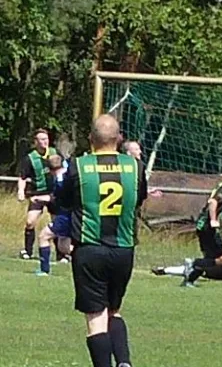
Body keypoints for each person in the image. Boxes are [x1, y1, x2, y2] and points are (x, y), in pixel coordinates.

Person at [59, 114, 148, 367]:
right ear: (119, 139)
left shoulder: (78, 165)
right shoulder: (135, 167)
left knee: (96, 316)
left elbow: (63, 201)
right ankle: (124, 362)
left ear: (90, 138)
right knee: (114, 310)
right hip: (123, 250)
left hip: (90, 249)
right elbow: (139, 199)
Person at [17, 128, 66, 261]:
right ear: (36, 142)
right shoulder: (30, 158)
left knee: (57, 223)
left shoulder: (55, 153)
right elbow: (22, 177)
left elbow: (65, 167)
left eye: (46, 139)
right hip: (37, 193)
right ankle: (27, 251)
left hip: (55, 193)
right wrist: (21, 191)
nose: (45, 142)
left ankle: (61, 255)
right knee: (30, 222)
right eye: (42, 139)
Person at [31, 155, 73, 276]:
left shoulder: (60, 179)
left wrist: (38, 198)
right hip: (69, 215)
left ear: (48, 169)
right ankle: (91, 261)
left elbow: (54, 197)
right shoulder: (68, 174)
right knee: (63, 247)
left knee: (44, 236)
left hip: (65, 216)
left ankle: (44, 270)